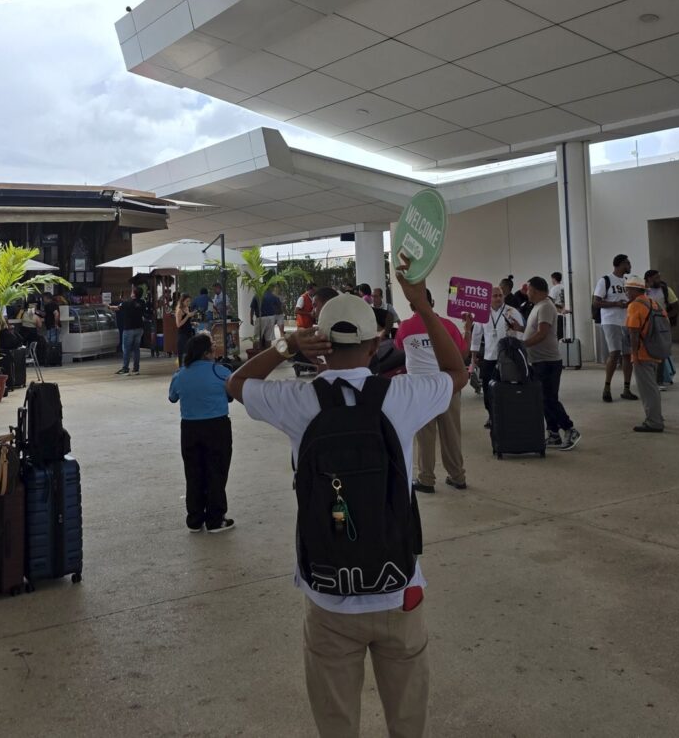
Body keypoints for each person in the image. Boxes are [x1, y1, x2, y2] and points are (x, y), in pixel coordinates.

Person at [226, 270, 467, 738]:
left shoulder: (299, 402)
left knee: (337, 725)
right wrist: (421, 307)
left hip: (329, 596)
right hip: (400, 589)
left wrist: (286, 347)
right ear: (376, 346)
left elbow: (236, 384)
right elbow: (457, 373)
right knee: (408, 722)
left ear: (320, 345)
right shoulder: (401, 396)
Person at [396, 288, 470, 492]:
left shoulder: (404, 327)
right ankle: (457, 476)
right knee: (452, 433)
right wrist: (468, 331)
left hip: (420, 390)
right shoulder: (447, 325)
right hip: (448, 385)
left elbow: (400, 348)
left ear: (412, 305)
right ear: (433, 302)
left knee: (424, 436)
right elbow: (463, 354)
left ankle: (426, 479)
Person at [168, 333, 235, 532]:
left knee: (194, 473)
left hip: (189, 429)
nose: (216, 351)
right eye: (213, 348)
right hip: (217, 427)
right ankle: (215, 519)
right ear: (206, 353)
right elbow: (231, 395)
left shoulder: (180, 374)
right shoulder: (220, 372)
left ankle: (195, 519)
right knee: (217, 471)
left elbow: (172, 397)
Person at [524, 277, 581, 450]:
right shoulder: (538, 306)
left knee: (549, 398)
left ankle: (570, 429)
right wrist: (520, 330)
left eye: (529, 290)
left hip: (547, 362)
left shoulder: (546, 306)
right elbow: (534, 331)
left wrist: (522, 344)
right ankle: (553, 433)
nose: (527, 293)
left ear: (536, 290)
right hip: (537, 360)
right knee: (543, 399)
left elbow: (542, 334)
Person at [471, 285, 524, 427]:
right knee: (488, 389)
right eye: (494, 296)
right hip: (489, 357)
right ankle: (491, 415)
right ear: (488, 298)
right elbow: (476, 337)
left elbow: (520, 334)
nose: (498, 298)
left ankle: (508, 414)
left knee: (509, 387)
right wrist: (473, 359)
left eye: (500, 295)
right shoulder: (481, 313)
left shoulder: (511, 311)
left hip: (508, 357)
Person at [624, 275, 666, 433]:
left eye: (628, 289)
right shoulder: (653, 303)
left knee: (648, 390)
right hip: (655, 350)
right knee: (652, 387)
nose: (626, 292)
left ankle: (654, 422)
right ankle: (657, 417)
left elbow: (633, 332)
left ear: (635, 290)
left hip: (642, 353)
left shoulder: (635, 305)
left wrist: (634, 355)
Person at [593, 254, 637, 404]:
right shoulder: (605, 280)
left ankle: (626, 389)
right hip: (611, 321)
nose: (629, 265)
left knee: (628, 355)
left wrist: (629, 302)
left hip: (626, 321)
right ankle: (607, 387)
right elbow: (596, 302)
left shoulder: (627, 281)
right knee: (615, 353)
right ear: (619, 265)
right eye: (627, 263)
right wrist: (616, 304)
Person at [645, 269, 679, 388]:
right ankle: (649, 379)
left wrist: (663, 318)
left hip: (661, 325)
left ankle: (659, 380)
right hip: (646, 325)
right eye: (655, 278)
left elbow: (675, 308)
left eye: (659, 277)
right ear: (648, 279)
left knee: (661, 352)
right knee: (646, 353)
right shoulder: (644, 291)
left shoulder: (666, 290)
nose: (658, 280)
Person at [116, 287, 148, 375]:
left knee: (126, 349)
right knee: (136, 349)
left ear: (134, 294)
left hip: (129, 329)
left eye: (132, 292)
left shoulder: (127, 303)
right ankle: (136, 369)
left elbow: (118, 308)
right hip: (139, 329)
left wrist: (108, 306)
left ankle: (125, 369)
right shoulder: (142, 302)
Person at [174, 293, 196, 367]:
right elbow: (178, 324)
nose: (188, 303)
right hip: (182, 335)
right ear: (182, 301)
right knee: (183, 354)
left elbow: (186, 322)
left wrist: (192, 323)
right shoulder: (179, 310)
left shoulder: (187, 308)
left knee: (189, 353)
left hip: (189, 333)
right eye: (187, 301)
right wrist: (187, 316)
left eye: (189, 301)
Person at [549, 272, 566, 339]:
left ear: (553, 279)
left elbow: (551, 302)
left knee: (558, 336)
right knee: (564, 336)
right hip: (565, 314)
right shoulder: (564, 287)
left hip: (557, 315)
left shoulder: (554, 289)